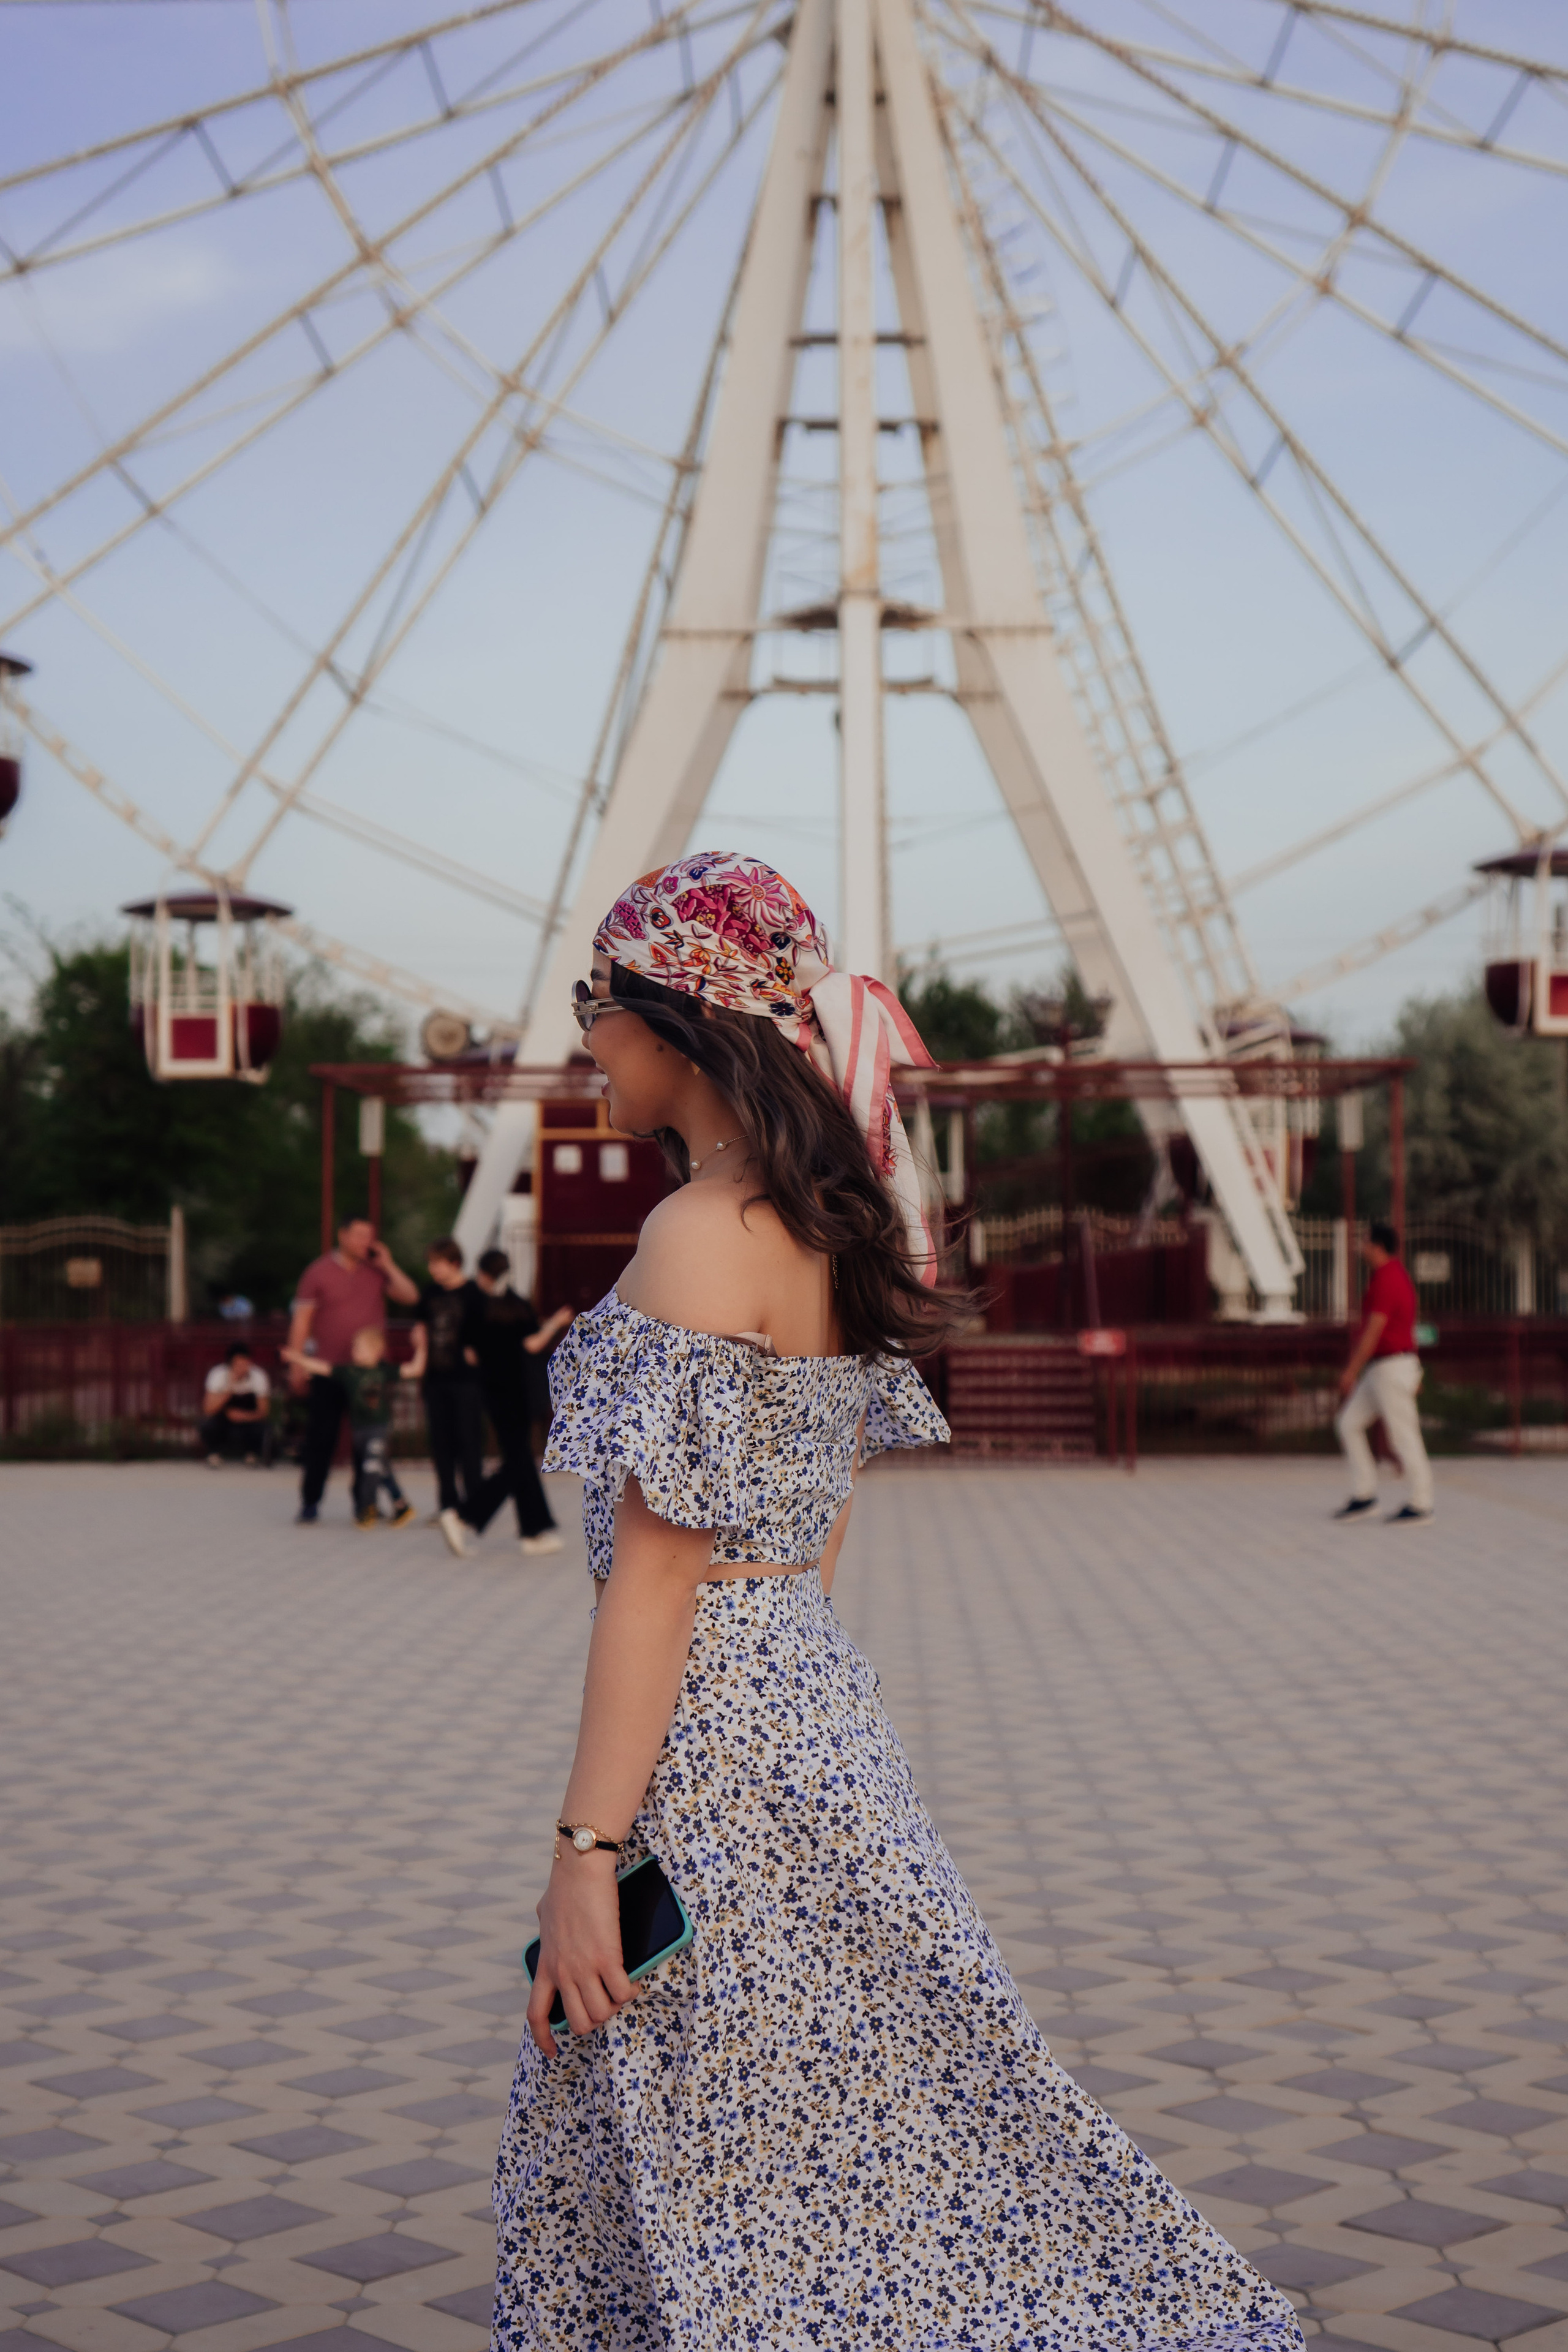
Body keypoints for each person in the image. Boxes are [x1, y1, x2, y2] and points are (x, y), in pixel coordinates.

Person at [491, 851, 1300, 2352]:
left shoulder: (691, 1235)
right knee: (879, 2090)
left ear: (681, 1019)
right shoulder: (827, 1225)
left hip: (714, 1736)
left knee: (699, 2091)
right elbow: (812, 1537)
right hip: (814, 1700)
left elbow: (657, 1587)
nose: (583, 1037)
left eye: (597, 1000)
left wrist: (586, 1850)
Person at [288, 1216, 419, 1524]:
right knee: (322, 1438)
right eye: (360, 1236)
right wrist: (296, 1365)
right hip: (330, 1370)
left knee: (367, 1441)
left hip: (371, 1374)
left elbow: (411, 1296)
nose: (366, 1243)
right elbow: (301, 1321)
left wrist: (388, 1264)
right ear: (342, 1236)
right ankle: (310, 1502)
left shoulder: (376, 1271)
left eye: (371, 1237)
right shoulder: (317, 1272)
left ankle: (365, 1503)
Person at [464, 1248, 572, 1557]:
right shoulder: (513, 1304)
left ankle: (533, 1529)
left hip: (494, 1391)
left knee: (520, 1460)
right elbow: (533, 1343)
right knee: (519, 1462)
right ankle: (466, 1515)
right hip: (518, 1392)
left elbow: (471, 1353)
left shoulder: (476, 1305)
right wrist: (555, 1323)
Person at [1334, 1217, 1434, 1525]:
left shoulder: (1388, 1280)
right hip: (1386, 1368)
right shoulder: (1389, 1277)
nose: (1361, 1246)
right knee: (1349, 1423)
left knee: (1404, 1435)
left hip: (1390, 1367)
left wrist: (1351, 1371)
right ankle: (1365, 1495)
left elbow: (1374, 1331)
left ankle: (1422, 1502)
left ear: (1377, 1246)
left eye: (1365, 1241)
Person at [284, 1327, 417, 1531]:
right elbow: (322, 1368)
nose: (354, 1351)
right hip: (360, 1431)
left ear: (375, 1352)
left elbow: (414, 1370)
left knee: (371, 1468)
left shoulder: (384, 1370)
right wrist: (297, 1358)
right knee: (381, 1468)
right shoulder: (348, 1372)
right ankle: (402, 1505)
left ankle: (367, 1509)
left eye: (359, 1348)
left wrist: (423, 1347)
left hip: (377, 1429)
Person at [405, 1237, 484, 1558]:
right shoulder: (430, 1293)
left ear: (453, 1263)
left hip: (466, 1382)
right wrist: (417, 1337)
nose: (431, 1269)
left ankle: (474, 1510)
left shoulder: (474, 1295)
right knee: (441, 1447)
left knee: (469, 1446)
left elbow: (485, 1335)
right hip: (436, 1380)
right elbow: (420, 1328)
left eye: (436, 1263)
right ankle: (448, 1508)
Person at [199, 1342, 273, 1466]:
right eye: (238, 1364)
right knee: (208, 1425)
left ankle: (252, 1453)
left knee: (262, 1428)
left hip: (249, 1417)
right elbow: (208, 1409)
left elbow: (264, 1411)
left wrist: (243, 1416)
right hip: (224, 1417)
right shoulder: (218, 1375)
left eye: (246, 1363)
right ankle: (214, 1453)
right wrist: (229, 1388)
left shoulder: (259, 1376)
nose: (243, 1368)